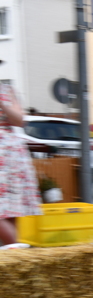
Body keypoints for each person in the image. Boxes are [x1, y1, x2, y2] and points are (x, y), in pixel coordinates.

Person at [0, 82, 41, 249]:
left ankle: (15, 254)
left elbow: (19, 120)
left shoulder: (6, 89)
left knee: (10, 209)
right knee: (6, 210)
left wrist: (2, 103)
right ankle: (15, 259)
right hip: (10, 151)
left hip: (8, 152)